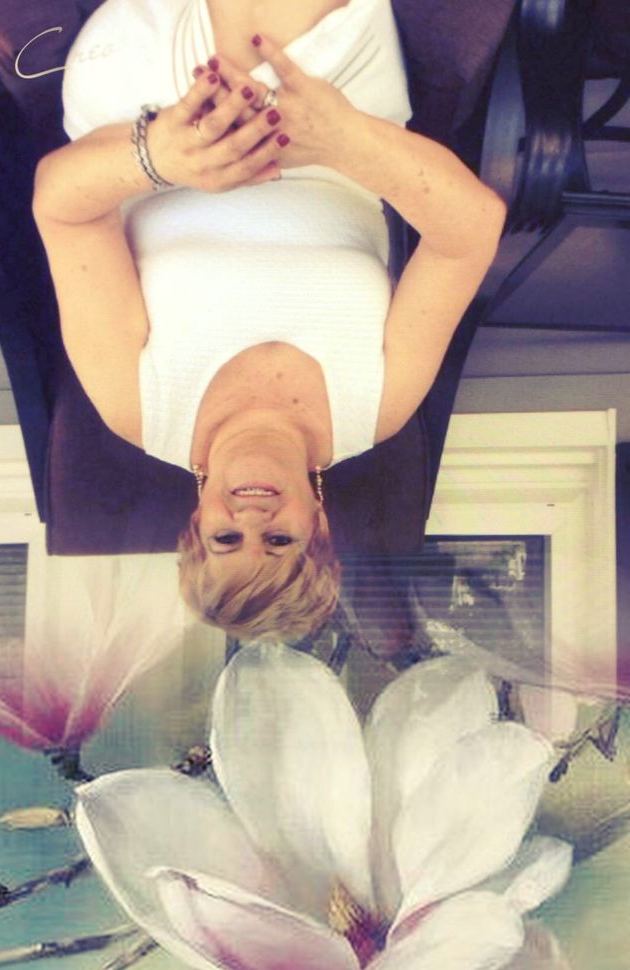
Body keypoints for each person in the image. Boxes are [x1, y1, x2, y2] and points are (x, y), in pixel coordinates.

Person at [32, 0, 506, 640]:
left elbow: (62, 205)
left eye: (227, 540)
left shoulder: (134, 402)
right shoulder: (379, 404)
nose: (251, 519)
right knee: (277, 40)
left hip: (151, 127)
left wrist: (159, 156)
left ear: (196, 525)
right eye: (279, 541)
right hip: (337, 125)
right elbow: (470, 234)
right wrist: (349, 141)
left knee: (259, 38)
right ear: (319, 526)